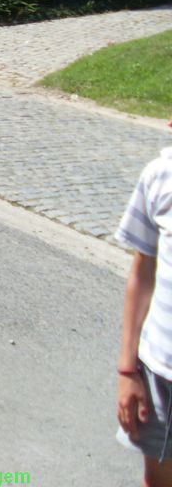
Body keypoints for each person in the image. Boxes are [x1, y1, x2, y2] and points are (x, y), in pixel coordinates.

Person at [116, 118, 172, 484]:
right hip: (158, 373)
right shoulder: (160, 177)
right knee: (157, 476)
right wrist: (126, 370)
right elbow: (141, 272)